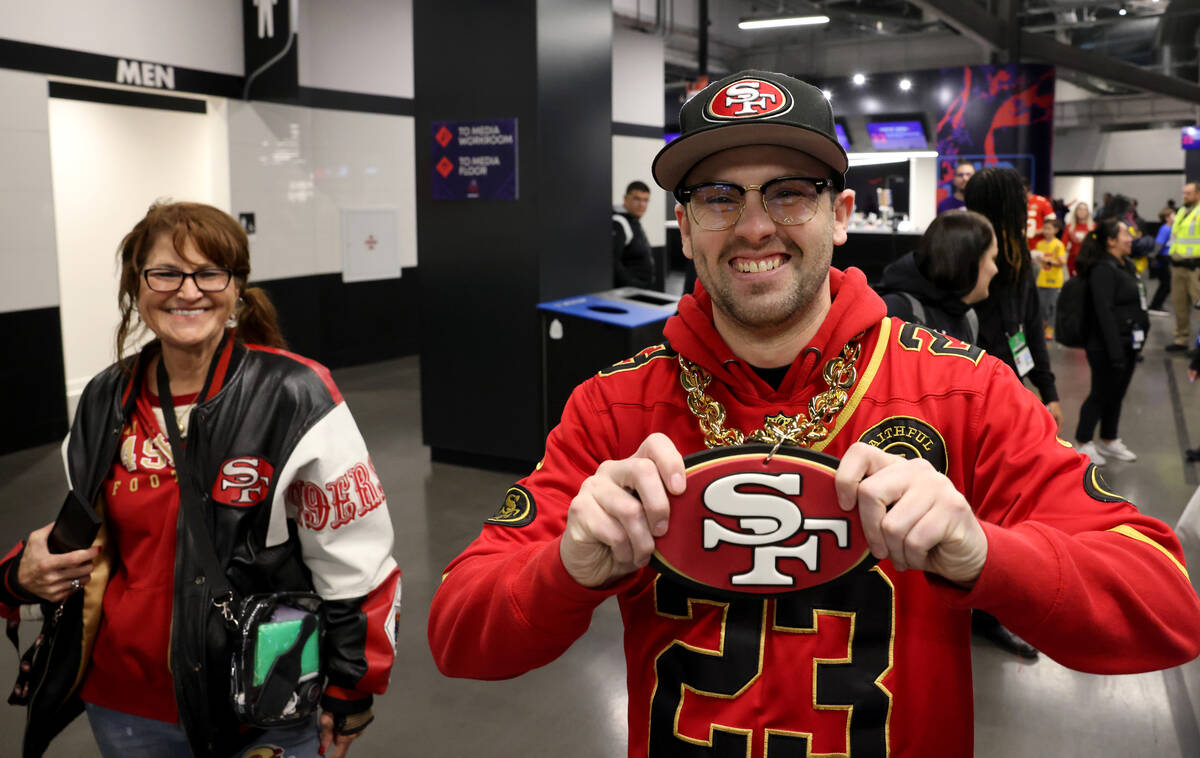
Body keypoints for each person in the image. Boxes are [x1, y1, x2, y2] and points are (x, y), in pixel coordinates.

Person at [427, 70, 1200, 758]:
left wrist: (985, 553)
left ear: (840, 215)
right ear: (686, 228)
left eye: (789, 193)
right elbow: (459, 635)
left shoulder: (963, 391)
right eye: (719, 197)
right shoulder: (613, 407)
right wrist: (564, 568)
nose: (755, 227)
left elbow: (1165, 607)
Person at [0, 202, 402, 758]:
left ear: (236, 287)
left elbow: (354, 556)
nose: (188, 291)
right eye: (165, 273)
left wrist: (351, 685)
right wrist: (18, 574)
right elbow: (91, 541)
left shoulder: (295, 395)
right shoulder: (102, 399)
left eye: (210, 273)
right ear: (136, 288)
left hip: (260, 700)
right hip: (125, 704)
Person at [964, 167, 1062, 427]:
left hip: (1011, 381)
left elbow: (1031, 322)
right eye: (1020, 201)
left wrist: (1048, 391)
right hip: (972, 390)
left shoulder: (1018, 253)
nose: (1025, 209)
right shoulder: (963, 259)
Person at [1074, 218, 1149, 465]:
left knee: (1117, 393)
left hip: (1128, 343)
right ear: (1111, 241)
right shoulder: (1102, 270)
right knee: (1101, 392)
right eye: (1125, 233)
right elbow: (1103, 312)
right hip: (1106, 345)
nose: (1130, 238)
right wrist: (1115, 351)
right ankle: (1083, 441)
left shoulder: (1126, 264)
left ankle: (1109, 439)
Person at [879, 210, 998, 341]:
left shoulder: (968, 318)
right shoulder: (897, 311)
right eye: (992, 258)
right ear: (970, 261)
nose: (995, 269)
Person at [1167, 181, 1200, 351]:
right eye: (1184, 193)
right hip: (1177, 265)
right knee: (1179, 304)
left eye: (1188, 193)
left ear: (1198, 194)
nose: (1185, 196)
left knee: (1199, 305)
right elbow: (1176, 236)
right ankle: (1181, 338)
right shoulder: (1181, 211)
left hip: (1196, 268)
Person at [612, 180, 655, 288]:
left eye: (645, 200)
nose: (642, 204)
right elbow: (613, 262)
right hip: (630, 294)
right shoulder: (619, 222)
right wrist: (633, 286)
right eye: (637, 199)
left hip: (640, 292)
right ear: (625, 198)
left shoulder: (633, 221)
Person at [1033, 217, 1067, 339]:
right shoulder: (1039, 244)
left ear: (1056, 230)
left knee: (1053, 305)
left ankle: (1050, 328)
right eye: (1044, 228)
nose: (1046, 231)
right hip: (1041, 279)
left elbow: (1062, 262)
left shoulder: (1058, 245)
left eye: (1049, 228)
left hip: (1054, 281)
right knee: (1042, 305)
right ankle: (1042, 325)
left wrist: (1047, 260)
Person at [1149, 206, 1175, 314]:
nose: (1176, 217)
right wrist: (1153, 258)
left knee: (1166, 284)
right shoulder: (1165, 229)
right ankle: (1155, 306)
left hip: (1166, 258)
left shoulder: (1170, 228)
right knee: (1166, 284)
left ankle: (1156, 305)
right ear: (1167, 218)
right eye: (1174, 215)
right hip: (1162, 259)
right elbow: (1158, 244)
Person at [1062, 201, 1094, 277]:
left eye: (1084, 209)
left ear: (1088, 212)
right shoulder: (1069, 227)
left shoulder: (1093, 227)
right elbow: (1063, 244)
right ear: (1075, 212)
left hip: (1089, 260)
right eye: (1079, 209)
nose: (1082, 212)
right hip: (1073, 261)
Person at [1024, 176, 1056, 249]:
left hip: (1039, 244)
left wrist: (1037, 232)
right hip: (1021, 244)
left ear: (1028, 190)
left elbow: (1053, 222)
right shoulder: (1016, 203)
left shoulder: (1042, 202)